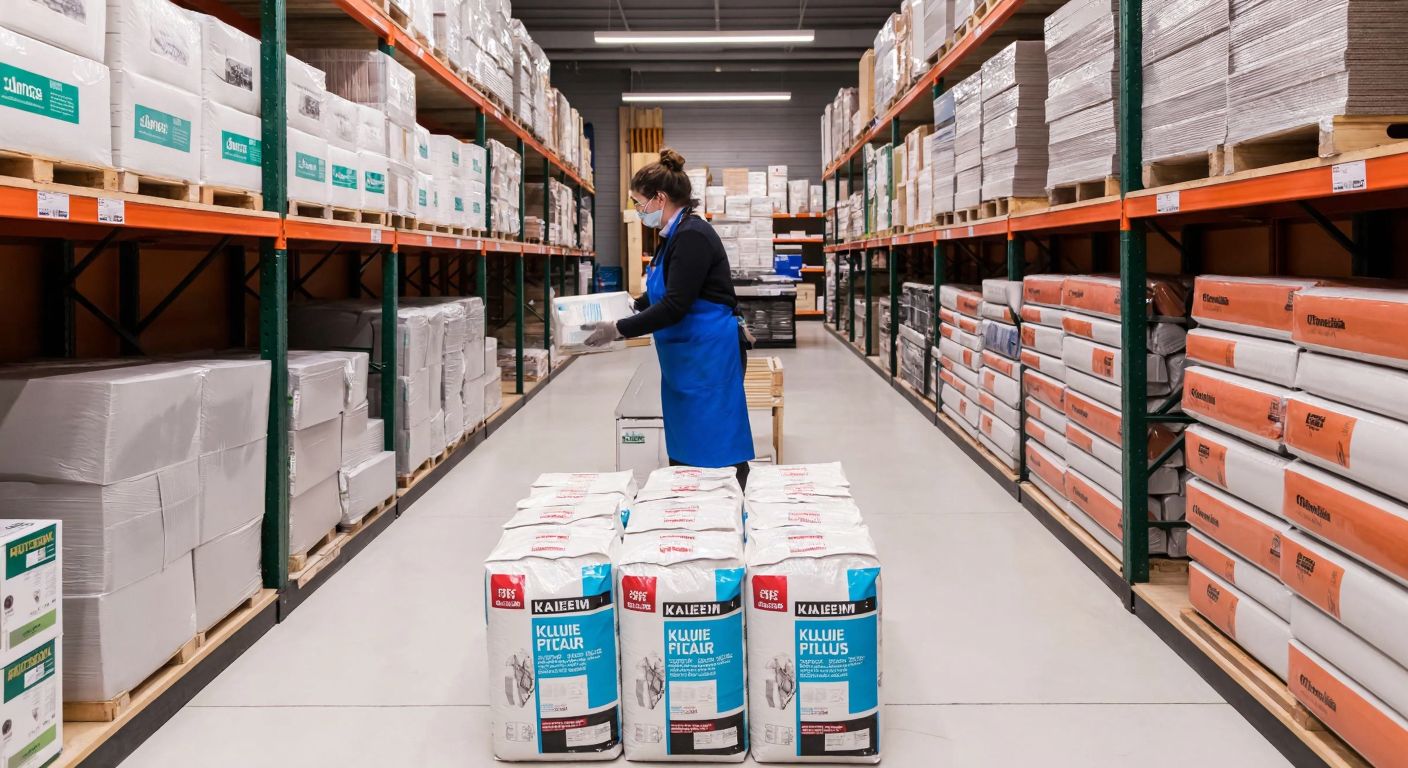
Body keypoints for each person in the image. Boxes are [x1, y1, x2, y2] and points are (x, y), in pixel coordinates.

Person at [584, 148, 755, 486]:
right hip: (687, 357)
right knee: (689, 443)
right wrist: (633, 305)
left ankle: (734, 506)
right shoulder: (672, 235)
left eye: (638, 203)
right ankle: (693, 504)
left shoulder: (691, 236)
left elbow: (676, 304)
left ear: (659, 198)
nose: (637, 211)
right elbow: (664, 291)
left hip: (709, 357)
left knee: (719, 444)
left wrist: (618, 329)